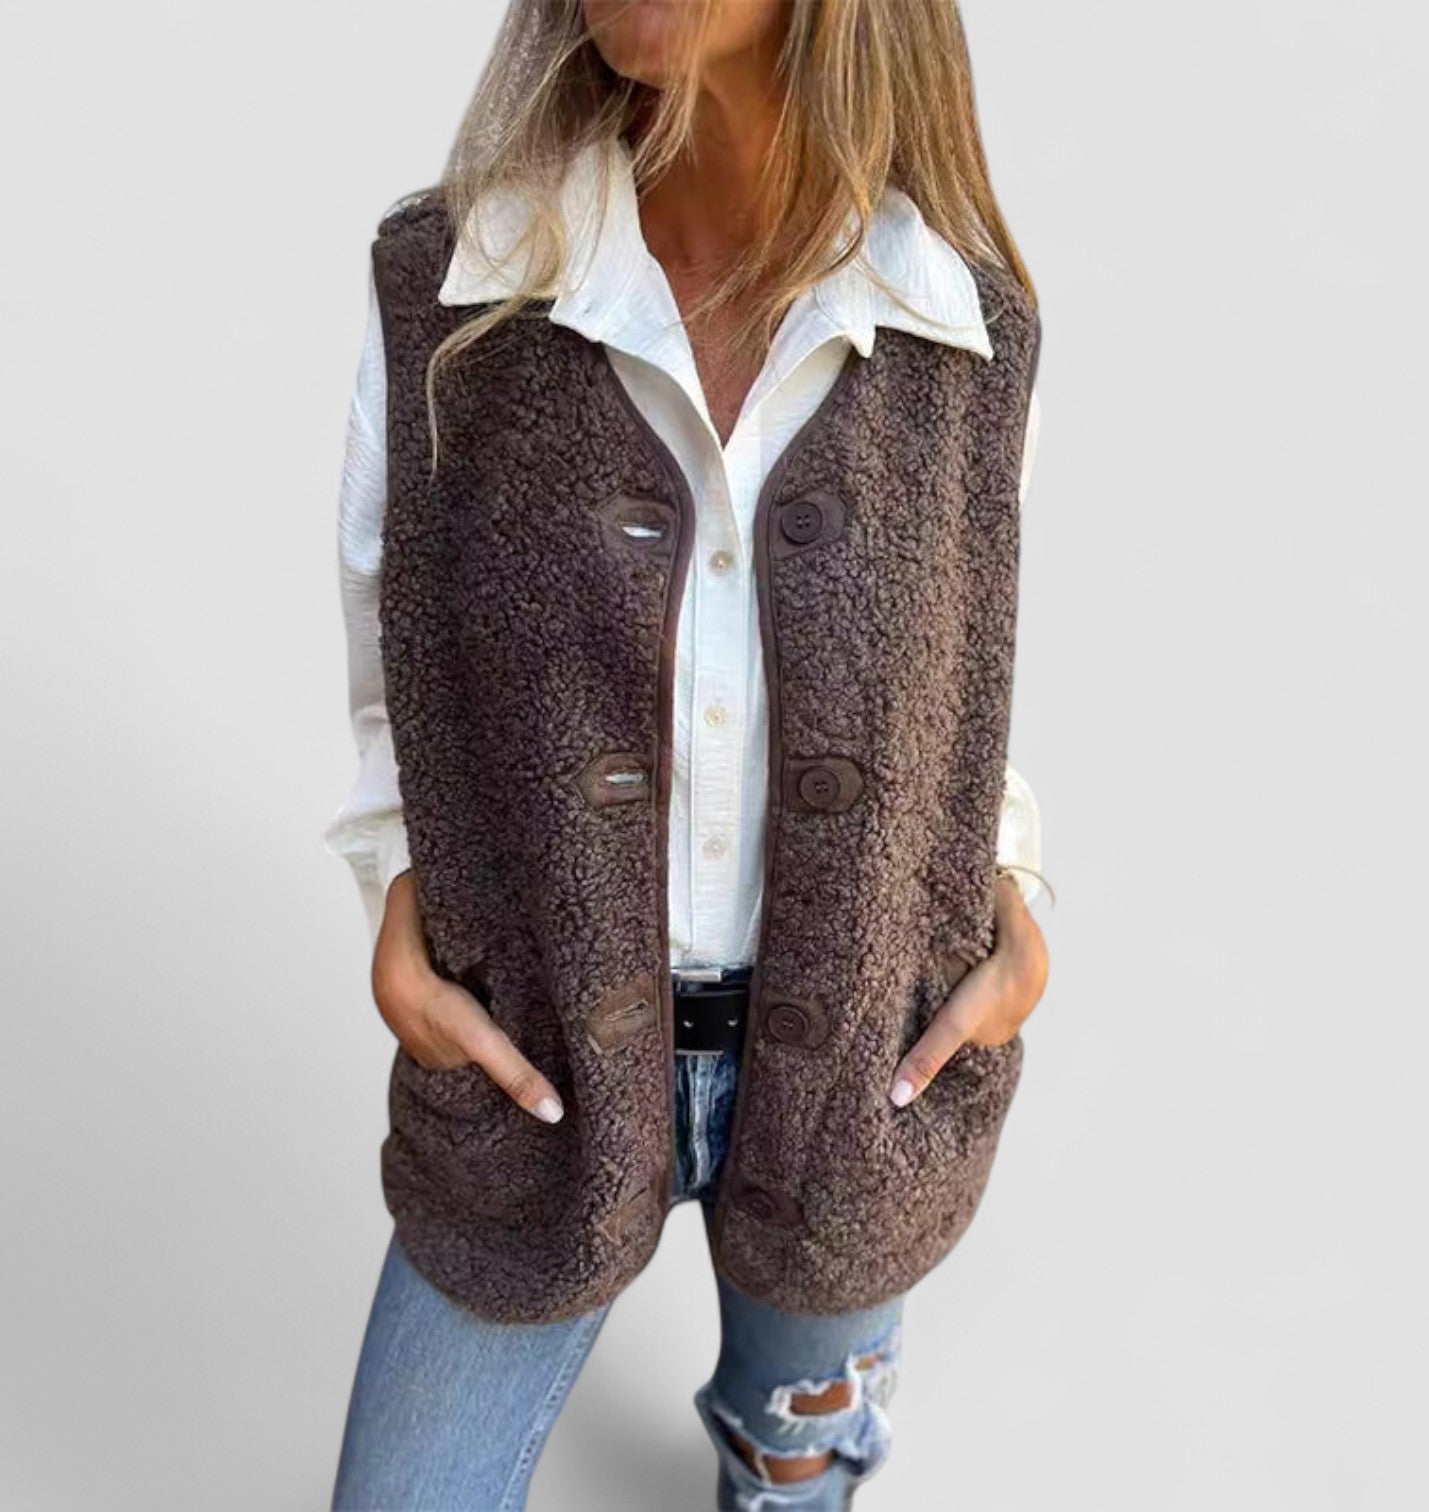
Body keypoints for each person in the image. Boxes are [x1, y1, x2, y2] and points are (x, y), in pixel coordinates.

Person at [322, 1, 1053, 1506]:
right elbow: (395, 647)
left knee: (796, 1477)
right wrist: (396, 882)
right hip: (533, 1055)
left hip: (866, 1066)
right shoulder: (459, 289)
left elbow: (962, 670)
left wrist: (1014, 894)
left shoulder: (960, 328)